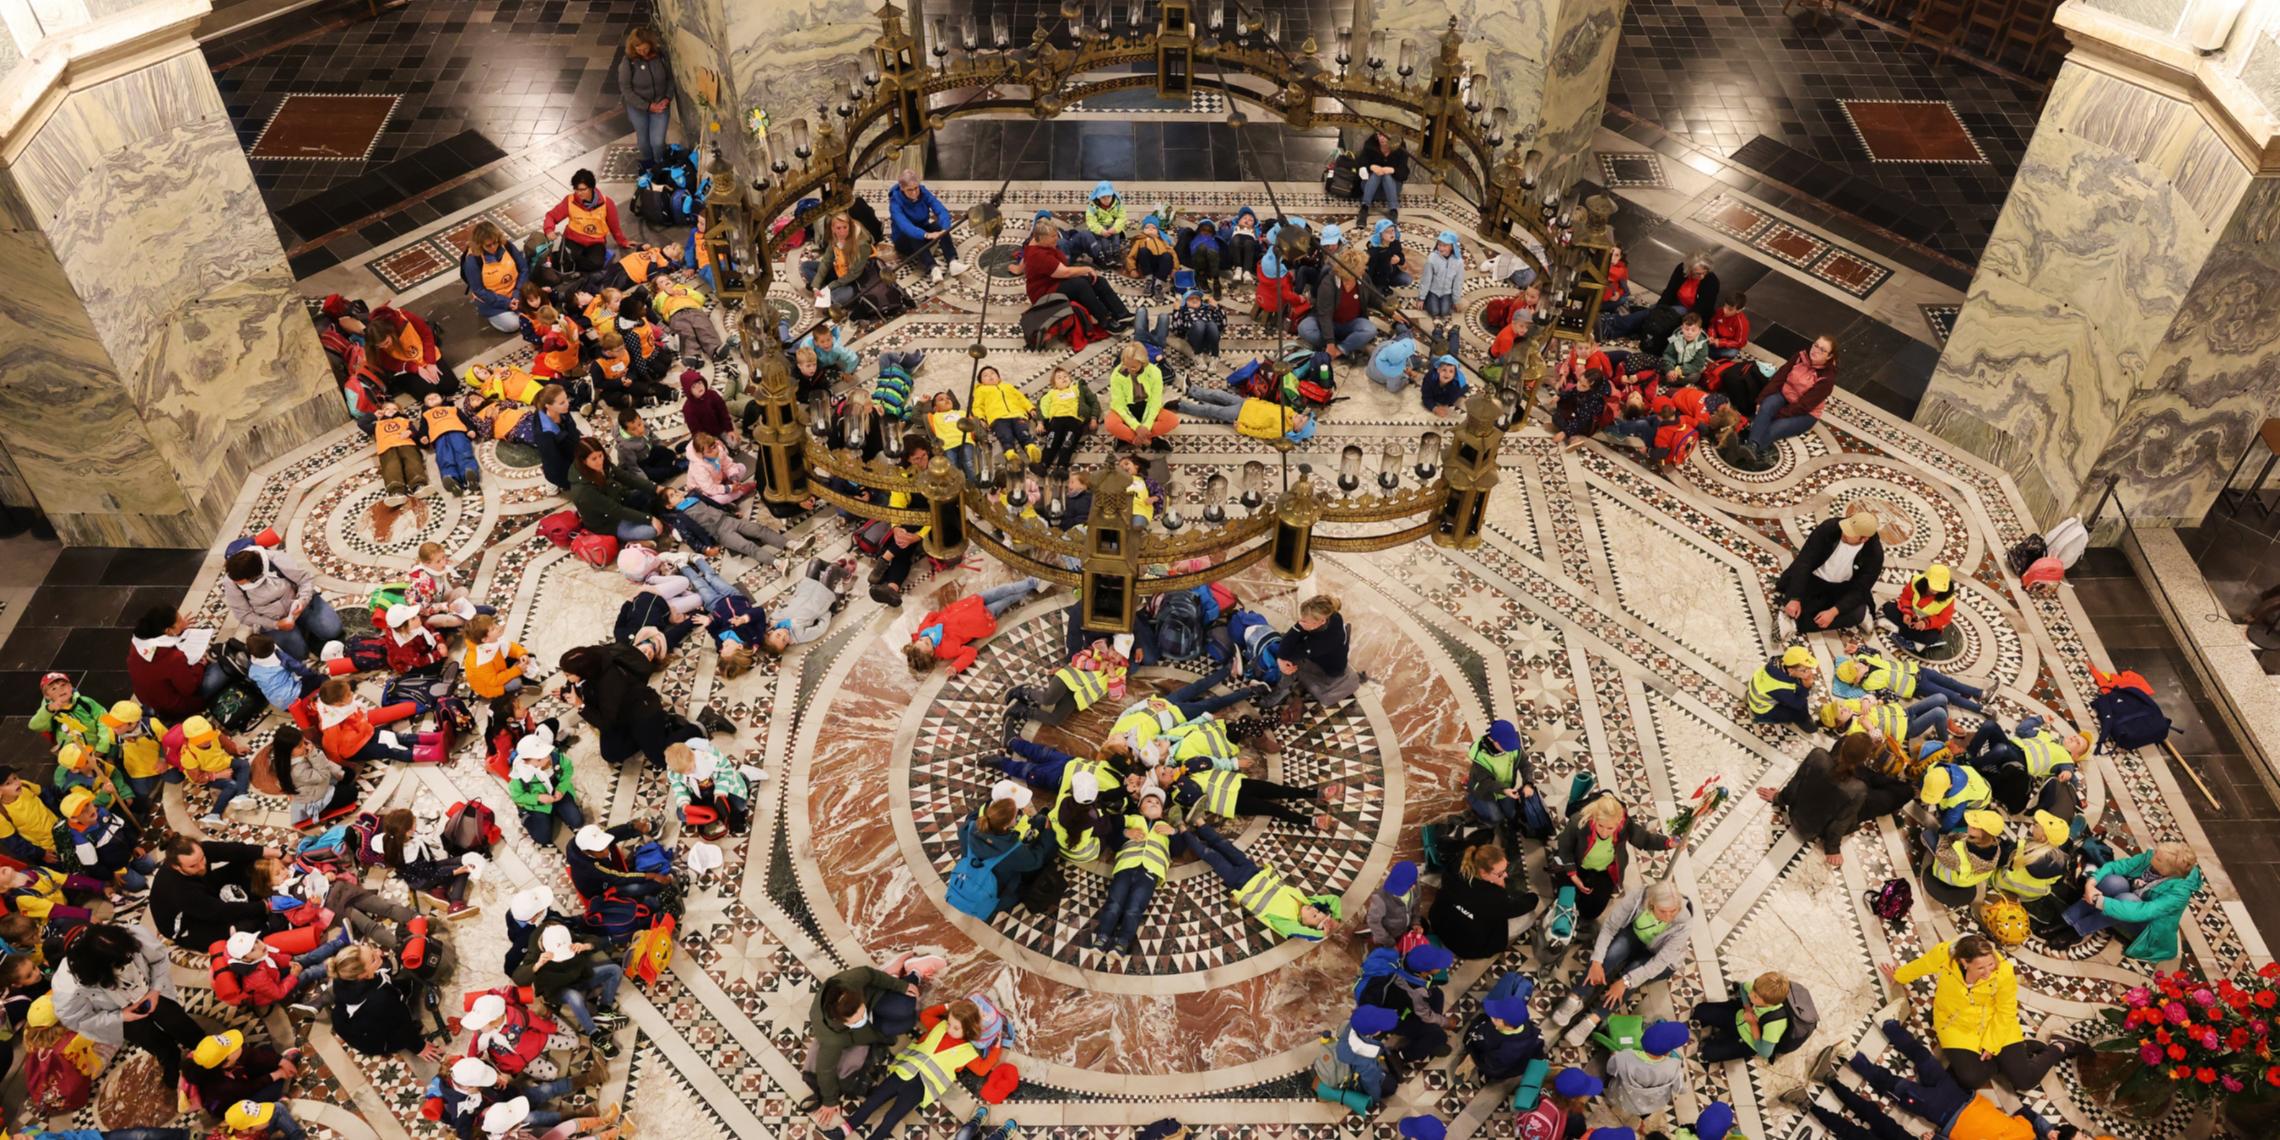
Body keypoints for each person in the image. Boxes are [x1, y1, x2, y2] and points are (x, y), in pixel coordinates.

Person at [1810, 1020, 2078, 1140]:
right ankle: (1890, 1025)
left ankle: (1851, 1057)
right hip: (1964, 1098)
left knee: (1895, 1086)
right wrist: (2046, 1131)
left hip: (1943, 1114)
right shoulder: (2030, 1131)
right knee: (1926, 1061)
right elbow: (2025, 1112)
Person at [1879, 934, 2085, 1090]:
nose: (1988, 972)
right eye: (1981, 968)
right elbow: (1924, 965)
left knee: (2025, 1081)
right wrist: (1899, 975)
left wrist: (1992, 1044)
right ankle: (2019, 1052)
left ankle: (2060, 1046)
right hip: (1956, 1026)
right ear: (1963, 962)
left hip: (1995, 1023)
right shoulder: (1945, 955)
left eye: (1991, 964)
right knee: (1971, 1079)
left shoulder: (2003, 972)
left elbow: (2006, 1011)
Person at [50, 922, 204, 1084]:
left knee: (176, 1019)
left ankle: (200, 1043)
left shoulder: (130, 935)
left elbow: (159, 959)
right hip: (115, 1012)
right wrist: (120, 1016)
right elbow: (80, 1021)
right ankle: (170, 1057)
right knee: (148, 1037)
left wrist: (155, 990)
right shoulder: (67, 988)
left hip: (150, 990)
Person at [1548, 879, 1696, 1047]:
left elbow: (1659, 963)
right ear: (1651, 904)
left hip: (1660, 960)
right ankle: (1576, 997)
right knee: (1610, 955)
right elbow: (1610, 927)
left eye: (1674, 911)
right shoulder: (1639, 897)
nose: (1669, 917)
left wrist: (1625, 982)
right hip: (1637, 936)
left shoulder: (1684, 922)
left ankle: (1593, 1019)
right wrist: (1596, 961)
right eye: (1663, 911)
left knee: (1630, 977)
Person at [797, 952, 944, 1120]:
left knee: (905, 1006)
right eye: (857, 1019)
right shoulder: (831, 1037)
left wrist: (899, 986)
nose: (861, 1018)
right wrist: (829, 1101)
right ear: (842, 1021)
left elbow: (870, 974)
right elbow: (825, 1069)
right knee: (907, 1021)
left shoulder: (850, 981)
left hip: (872, 998)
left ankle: (913, 971)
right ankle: (894, 972)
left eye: (861, 1013)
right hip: (871, 1025)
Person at [838, 999, 1000, 1140]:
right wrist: (946, 1006)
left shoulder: (968, 1052)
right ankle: (843, 1131)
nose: (949, 1029)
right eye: (949, 1023)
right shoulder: (940, 1026)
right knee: (873, 1101)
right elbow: (926, 1015)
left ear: (969, 1030)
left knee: (892, 1117)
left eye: (955, 1028)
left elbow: (982, 1069)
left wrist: (997, 1048)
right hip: (904, 1072)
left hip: (922, 1087)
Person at [1758, 733, 1908, 866]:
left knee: (1868, 774)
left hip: (1798, 811)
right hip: (1815, 828)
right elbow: (1842, 821)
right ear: (1864, 759)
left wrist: (1779, 797)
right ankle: (1887, 781)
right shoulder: (1858, 790)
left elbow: (1797, 781)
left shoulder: (1818, 755)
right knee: (1903, 791)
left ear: (1843, 748)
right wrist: (1832, 848)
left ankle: (1877, 777)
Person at [1186, 823, 1339, 941]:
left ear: (1305, 925)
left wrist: (1322, 933)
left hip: (1241, 883)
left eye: (1313, 917)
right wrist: (1336, 919)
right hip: (1253, 870)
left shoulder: (1287, 923)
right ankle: (1200, 823)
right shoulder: (1307, 901)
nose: (1314, 911)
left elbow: (1304, 933)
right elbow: (1333, 899)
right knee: (1224, 845)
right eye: (1318, 912)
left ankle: (1182, 830)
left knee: (1210, 855)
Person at [1549, 791, 1677, 925]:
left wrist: (1668, 843)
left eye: (1610, 828)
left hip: (1605, 870)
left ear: (1618, 823)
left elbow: (1645, 839)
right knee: (1565, 898)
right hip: (1577, 864)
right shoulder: (1578, 822)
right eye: (1600, 826)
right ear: (1594, 818)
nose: (1604, 832)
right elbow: (1565, 847)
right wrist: (1573, 875)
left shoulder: (1625, 825)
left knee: (1592, 911)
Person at [2062, 842, 2202, 962]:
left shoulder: (2180, 893)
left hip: (2145, 926)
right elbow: (2116, 866)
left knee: (2126, 900)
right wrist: (2090, 884)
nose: (2152, 854)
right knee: (2113, 882)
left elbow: (2142, 912)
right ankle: (2067, 920)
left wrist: (2100, 901)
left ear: (2166, 871)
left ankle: (2077, 930)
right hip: (2132, 899)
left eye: (2157, 858)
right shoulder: (2151, 858)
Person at [512, 923, 627, 1058]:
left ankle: (605, 1009)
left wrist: (586, 946)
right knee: (575, 997)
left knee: (614, 970)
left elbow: (592, 939)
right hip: (558, 989)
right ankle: (595, 1035)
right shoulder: (535, 952)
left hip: (580, 977)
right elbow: (518, 978)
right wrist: (536, 965)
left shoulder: (563, 934)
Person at [1090, 785, 1175, 954]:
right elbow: (1113, 831)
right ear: (1139, 807)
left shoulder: (1165, 827)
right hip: (1126, 866)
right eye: (1148, 801)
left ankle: (1122, 942)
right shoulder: (1131, 819)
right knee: (1114, 903)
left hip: (1150, 871)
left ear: (1162, 812)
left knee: (1135, 908)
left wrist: (1174, 831)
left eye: (1157, 802)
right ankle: (1102, 937)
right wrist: (1125, 833)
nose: (1153, 803)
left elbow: (1178, 848)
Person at [221, 545, 343, 661]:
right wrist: (276, 624)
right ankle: (304, 634)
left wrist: (302, 601)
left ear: (254, 576)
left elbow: (305, 579)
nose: (237, 584)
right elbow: (244, 615)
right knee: (299, 653)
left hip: (299, 604)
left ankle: (305, 630)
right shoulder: (231, 582)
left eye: (241, 582)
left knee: (333, 630)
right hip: (271, 620)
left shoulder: (276, 559)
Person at [903, 578, 1047, 674]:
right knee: (1008, 600)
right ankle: (1030, 587)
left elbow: (931, 615)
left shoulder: (923, 631)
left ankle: (1033, 581)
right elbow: (970, 652)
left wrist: (946, 613)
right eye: (926, 644)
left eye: (920, 641)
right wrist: (956, 667)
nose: (924, 639)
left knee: (1003, 590)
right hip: (983, 618)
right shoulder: (947, 650)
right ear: (931, 653)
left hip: (972, 603)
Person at [1776, 510, 1884, 634]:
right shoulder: (1829, 528)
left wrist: (1833, 612)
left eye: (1850, 533)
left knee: (1848, 613)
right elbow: (1804, 561)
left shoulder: (1874, 555)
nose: (1844, 532)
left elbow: (1860, 589)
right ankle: (1800, 620)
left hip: (1841, 588)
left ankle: (1795, 625)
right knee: (1791, 596)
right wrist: (1795, 597)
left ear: (1864, 539)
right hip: (1813, 578)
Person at [1261, 595, 1363, 724]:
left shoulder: (1322, 642)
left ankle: (1283, 689)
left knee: (1289, 662)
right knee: (1287, 641)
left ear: (1320, 621)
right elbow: (1292, 640)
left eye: (1305, 620)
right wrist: (1301, 626)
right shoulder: (1333, 616)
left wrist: (1282, 660)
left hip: (1330, 668)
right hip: (1328, 654)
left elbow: (1286, 653)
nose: (1302, 621)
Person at [1019, 218, 1132, 330]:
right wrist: (1086, 269)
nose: (1057, 239)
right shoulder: (1039, 255)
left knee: (1098, 280)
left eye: (1056, 235)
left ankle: (1122, 314)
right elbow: (1064, 272)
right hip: (1043, 292)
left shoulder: (1038, 242)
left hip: (1053, 282)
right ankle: (1105, 320)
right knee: (1080, 285)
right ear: (1042, 238)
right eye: (1053, 236)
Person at [1355, 941, 1456, 1063]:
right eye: (1438, 966)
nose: (1441, 967)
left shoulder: (1404, 961)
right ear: (1423, 972)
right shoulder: (1415, 992)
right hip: (1393, 1016)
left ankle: (1430, 1031)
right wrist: (1445, 1022)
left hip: (1395, 997)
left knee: (1437, 994)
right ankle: (1402, 1056)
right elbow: (1425, 1015)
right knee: (1438, 1035)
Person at [127, 605, 226, 721]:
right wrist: (199, 665)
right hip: (175, 707)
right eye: (179, 621)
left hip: (150, 700)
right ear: (168, 630)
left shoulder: (137, 645)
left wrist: (178, 629)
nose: (183, 621)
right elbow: (190, 688)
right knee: (221, 669)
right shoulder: (174, 658)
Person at [1748, 335, 1839, 453]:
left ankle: (1752, 449)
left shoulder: (1827, 378)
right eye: (1816, 345)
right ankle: (1751, 445)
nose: (1816, 350)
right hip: (1785, 395)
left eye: (1822, 350)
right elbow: (1779, 378)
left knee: (1776, 427)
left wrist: (1778, 414)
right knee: (1767, 405)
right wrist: (1762, 399)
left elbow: (1805, 405)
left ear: (1829, 356)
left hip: (1806, 413)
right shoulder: (1800, 356)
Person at [1690, 971, 1798, 1064]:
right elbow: (1743, 987)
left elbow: (1764, 1052)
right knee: (1700, 1011)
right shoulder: (1758, 990)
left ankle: (1719, 1037)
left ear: (1768, 1003)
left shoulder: (1774, 1024)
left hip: (1747, 1041)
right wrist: (1747, 1008)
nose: (1750, 995)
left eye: (1755, 996)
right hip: (1739, 1016)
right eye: (1753, 990)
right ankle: (1720, 1034)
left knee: (1705, 1054)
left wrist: (1753, 1024)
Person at [1300, 236, 1380, 360]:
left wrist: (1391, 311)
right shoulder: (1328, 284)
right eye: (1362, 267)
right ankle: (1344, 345)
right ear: (1351, 272)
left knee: (1370, 329)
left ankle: (1340, 349)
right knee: (1305, 328)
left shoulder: (1363, 278)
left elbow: (1374, 296)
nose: (1365, 269)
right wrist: (1330, 342)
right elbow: (1324, 315)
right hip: (1329, 323)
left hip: (1351, 323)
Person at [543, 169, 631, 276]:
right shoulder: (569, 200)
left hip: (595, 242)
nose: (578, 193)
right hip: (573, 239)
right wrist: (549, 230)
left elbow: (614, 226)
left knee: (596, 264)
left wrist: (623, 241)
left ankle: (569, 260)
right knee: (568, 261)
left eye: (582, 190)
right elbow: (551, 216)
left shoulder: (607, 203)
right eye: (576, 189)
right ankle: (566, 259)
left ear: (591, 188)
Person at [761, 558, 858, 655]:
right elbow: (820, 629)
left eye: (778, 635)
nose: (784, 635)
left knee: (815, 562)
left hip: (806, 590)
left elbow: (783, 606)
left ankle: (837, 570)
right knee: (831, 570)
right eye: (784, 641)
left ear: (770, 632)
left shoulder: (775, 619)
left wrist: (796, 595)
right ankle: (846, 575)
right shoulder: (799, 636)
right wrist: (826, 612)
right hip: (821, 598)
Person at [1604, 1020, 1688, 1127]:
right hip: (1651, 1104)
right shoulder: (1675, 1066)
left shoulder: (1624, 1056)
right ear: (1668, 1052)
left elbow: (1611, 1069)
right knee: (1646, 1112)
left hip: (1624, 1098)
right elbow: (1680, 1089)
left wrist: (1614, 1055)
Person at [1462, 977, 1545, 1082]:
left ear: (1507, 1025)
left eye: (1496, 1017)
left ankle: (1471, 1061)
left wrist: (1474, 1057)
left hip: (1497, 1064)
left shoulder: (1507, 1050)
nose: (1491, 1016)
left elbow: (1490, 1063)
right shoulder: (1522, 1023)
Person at [885, 169, 963, 280]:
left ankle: (952, 261)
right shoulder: (895, 203)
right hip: (904, 240)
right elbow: (906, 227)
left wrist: (944, 228)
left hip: (923, 231)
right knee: (913, 236)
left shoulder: (923, 192)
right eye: (909, 190)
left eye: (916, 188)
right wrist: (926, 235)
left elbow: (940, 210)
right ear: (902, 189)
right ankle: (933, 268)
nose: (914, 193)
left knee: (940, 226)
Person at [507, 733, 583, 845]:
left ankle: (556, 810)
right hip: (538, 804)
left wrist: (561, 789)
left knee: (577, 822)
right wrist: (538, 798)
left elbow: (568, 769)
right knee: (542, 838)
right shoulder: (519, 777)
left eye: (545, 754)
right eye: (539, 759)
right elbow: (517, 796)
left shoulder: (554, 756)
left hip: (557, 793)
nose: (546, 759)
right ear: (526, 761)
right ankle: (526, 816)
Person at [1105, 342, 1178, 450]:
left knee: (1172, 420)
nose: (1129, 369)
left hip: (1147, 407)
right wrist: (1136, 426)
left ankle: (1128, 438)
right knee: (1110, 424)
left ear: (1143, 362)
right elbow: (1118, 404)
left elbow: (1155, 403)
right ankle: (1150, 441)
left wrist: (1146, 426)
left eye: (1133, 367)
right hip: (1127, 408)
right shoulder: (1117, 374)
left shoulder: (1155, 372)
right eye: (1126, 364)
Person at [461, 221, 528, 334]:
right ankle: (495, 317)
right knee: (514, 324)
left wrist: (517, 294)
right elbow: (479, 290)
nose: (493, 247)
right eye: (488, 245)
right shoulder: (473, 261)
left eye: (495, 243)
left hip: (516, 293)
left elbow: (523, 269)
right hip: (492, 301)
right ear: (479, 244)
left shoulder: (506, 245)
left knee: (539, 306)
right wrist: (506, 302)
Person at [620, 27, 673, 167]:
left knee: (657, 142)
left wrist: (667, 98)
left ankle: (660, 165)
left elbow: (670, 79)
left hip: (660, 104)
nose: (642, 52)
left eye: (645, 49)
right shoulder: (628, 62)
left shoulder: (661, 56)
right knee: (644, 142)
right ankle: (649, 166)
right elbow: (626, 90)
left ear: (651, 44)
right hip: (638, 108)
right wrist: (648, 106)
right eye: (638, 49)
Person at [1884, 563, 1960, 654]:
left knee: (1931, 637)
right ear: (1926, 580)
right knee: (1888, 608)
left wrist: (1925, 623)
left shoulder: (1948, 599)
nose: (1935, 591)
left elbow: (1944, 619)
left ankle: (1902, 631)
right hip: (1910, 616)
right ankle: (1909, 633)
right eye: (1933, 587)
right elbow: (1905, 597)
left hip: (1925, 626)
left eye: (1939, 589)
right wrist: (1907, 613)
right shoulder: (1916, 581)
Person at [809, 214, 872, 310]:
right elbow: (826, 261)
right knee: (806, 267)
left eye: (845, 227)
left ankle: (829, 291)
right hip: (839, 272)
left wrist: (830, 286)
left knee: (832, 302)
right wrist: (816, 286)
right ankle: (823, 290)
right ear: (833, 229)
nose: (842, 232)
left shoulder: (862, 244)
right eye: (838, 228)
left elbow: (854, 274)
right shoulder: (834, 237)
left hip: (854, 281)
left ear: (850, 226)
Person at [530, 385, 581, 490]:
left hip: (572, 450)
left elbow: (572, 429)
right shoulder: (545, 434)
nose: (567, 403)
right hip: (562, 470)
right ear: (548, 406)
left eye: (566, 398)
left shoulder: (562, 410)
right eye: (562, 402)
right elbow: (555, 462)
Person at [1357, 128, 1410, 221]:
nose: (1382, 138)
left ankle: (1393, 210)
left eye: (1385, 136)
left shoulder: (1400, 148)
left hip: (1391, 191)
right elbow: (1359, 163)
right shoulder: (1370, 145)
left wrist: (1392, 170)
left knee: (1386, 175)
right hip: (1370, 189)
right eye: (1379, 134)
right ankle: (1364, 208)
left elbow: (1404, 174)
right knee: (1377, 174)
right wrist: (1371, 167)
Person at [1419, 230, 1464, 320]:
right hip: (1433, 291)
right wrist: (1421, 298)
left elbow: (1458, 282)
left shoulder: (1459, 261)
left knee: (1444, 312)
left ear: (1452, 246)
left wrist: (1456, 300)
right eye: (1439, 244)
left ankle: (1447, 301)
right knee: (1434, 311)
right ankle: (1429, 299)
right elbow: (1426, 279)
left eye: (1445, 245)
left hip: (1447, 292)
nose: (1441, 248)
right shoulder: (1432, 258)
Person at [1707, 293, 1749, 361]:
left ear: (1738, 310)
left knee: (1732, 353)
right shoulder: (1720, 311)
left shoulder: (1742, 323)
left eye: (1730, 309)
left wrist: (1720, 343)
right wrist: (1711, 336)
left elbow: (1739, 343)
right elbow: (1712, 325)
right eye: (1725, 306)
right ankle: (1709, 351)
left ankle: (1709, 352)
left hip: (1729, 344)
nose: (1725, 310)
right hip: (1717, 337)